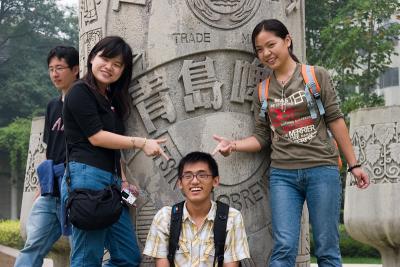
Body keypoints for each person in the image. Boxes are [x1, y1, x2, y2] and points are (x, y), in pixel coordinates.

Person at [212, 19, 370, 267]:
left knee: (327, 246)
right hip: (283, 176)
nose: (266, 53)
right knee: (284, 246)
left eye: (270, 45)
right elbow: (262, 137)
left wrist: (354, 164)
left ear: (287, 40)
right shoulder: (263, 91)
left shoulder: (315, 76)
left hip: (322, 169)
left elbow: (336, 121)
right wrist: (233, 145)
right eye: (259, 49)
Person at [61, 36, 168, 267]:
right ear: (92, 58)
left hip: (110, 183)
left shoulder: (109, 99)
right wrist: (141, 142)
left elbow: (114, 147)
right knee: (87, 258)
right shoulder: (79, 91)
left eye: (117, 64)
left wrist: (122, 179)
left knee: (128, 257)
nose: (109, 67)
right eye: (105, 58)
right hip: (86, 179)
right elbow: (97, 137)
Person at [14, 46, 79, 267]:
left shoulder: (85, 103)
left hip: (75, 185)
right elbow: (47, 148)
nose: (54, 74)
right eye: (51, 69)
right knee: (33, 245)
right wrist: (42, 184)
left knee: (79, 248)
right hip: (51, 186)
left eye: (60, 68)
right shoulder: (52, 106)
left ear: (76, 70)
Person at [143, 151, 250, 267]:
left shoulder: (232, 217)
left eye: (202, 175)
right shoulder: (165, 217)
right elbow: (162, 263)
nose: (194, 181)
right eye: (188, 176)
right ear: (180, 183)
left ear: (215, 181)